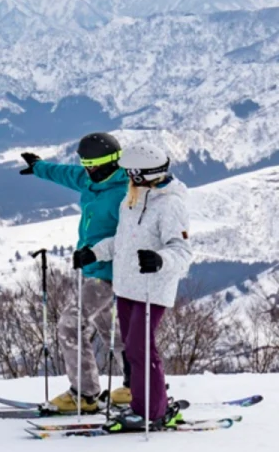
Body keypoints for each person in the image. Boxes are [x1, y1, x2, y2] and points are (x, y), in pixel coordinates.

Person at [72, 140, 193, 430]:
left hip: (152, 289)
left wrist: (160, 260)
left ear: (140, 174)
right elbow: (122, 242)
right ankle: (148, 404)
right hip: (126, 288)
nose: (124, 175)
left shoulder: (170, 205)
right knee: (135, 349)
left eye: (128, 172)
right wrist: (94, 251)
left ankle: (152, 412)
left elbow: (182, 251)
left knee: (140, 350)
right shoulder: (132, 201)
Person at [19, 132, 131, 413]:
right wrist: (39, 167)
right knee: (113, 332)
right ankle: (136, 386)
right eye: (86, 164)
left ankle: (84, 394)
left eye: (95, 165)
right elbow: (68, 174)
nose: (90, 170)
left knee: (70, 324)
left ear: (113, 162)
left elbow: (132, 239)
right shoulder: (91, 180)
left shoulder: (125, 193)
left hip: (111, 272)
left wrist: (96, 253)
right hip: (92, 269)